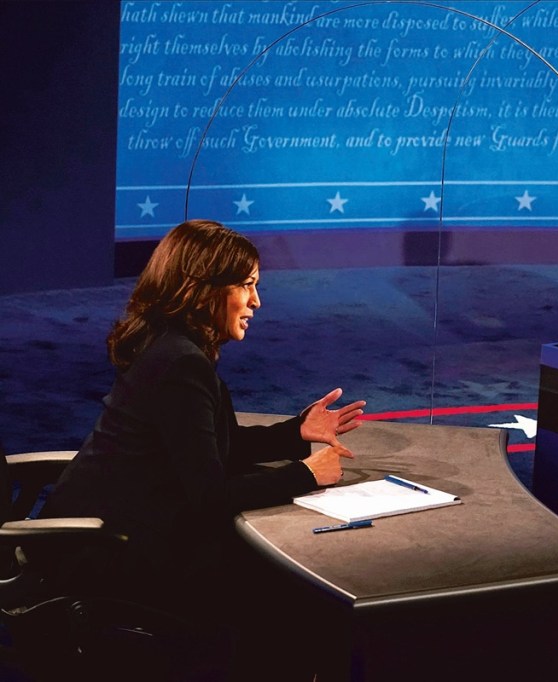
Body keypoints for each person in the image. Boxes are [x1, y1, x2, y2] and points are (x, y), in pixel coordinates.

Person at [37, 219, 365, 677]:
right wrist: (306, 475)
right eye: (247, 285)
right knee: (292, 593)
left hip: (117, 536)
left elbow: (212, 447)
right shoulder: (180, 363)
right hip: (109, 556)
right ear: (204, 288)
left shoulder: (171, 345)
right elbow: (209, 496)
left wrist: (296, 433)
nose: (256, 301)